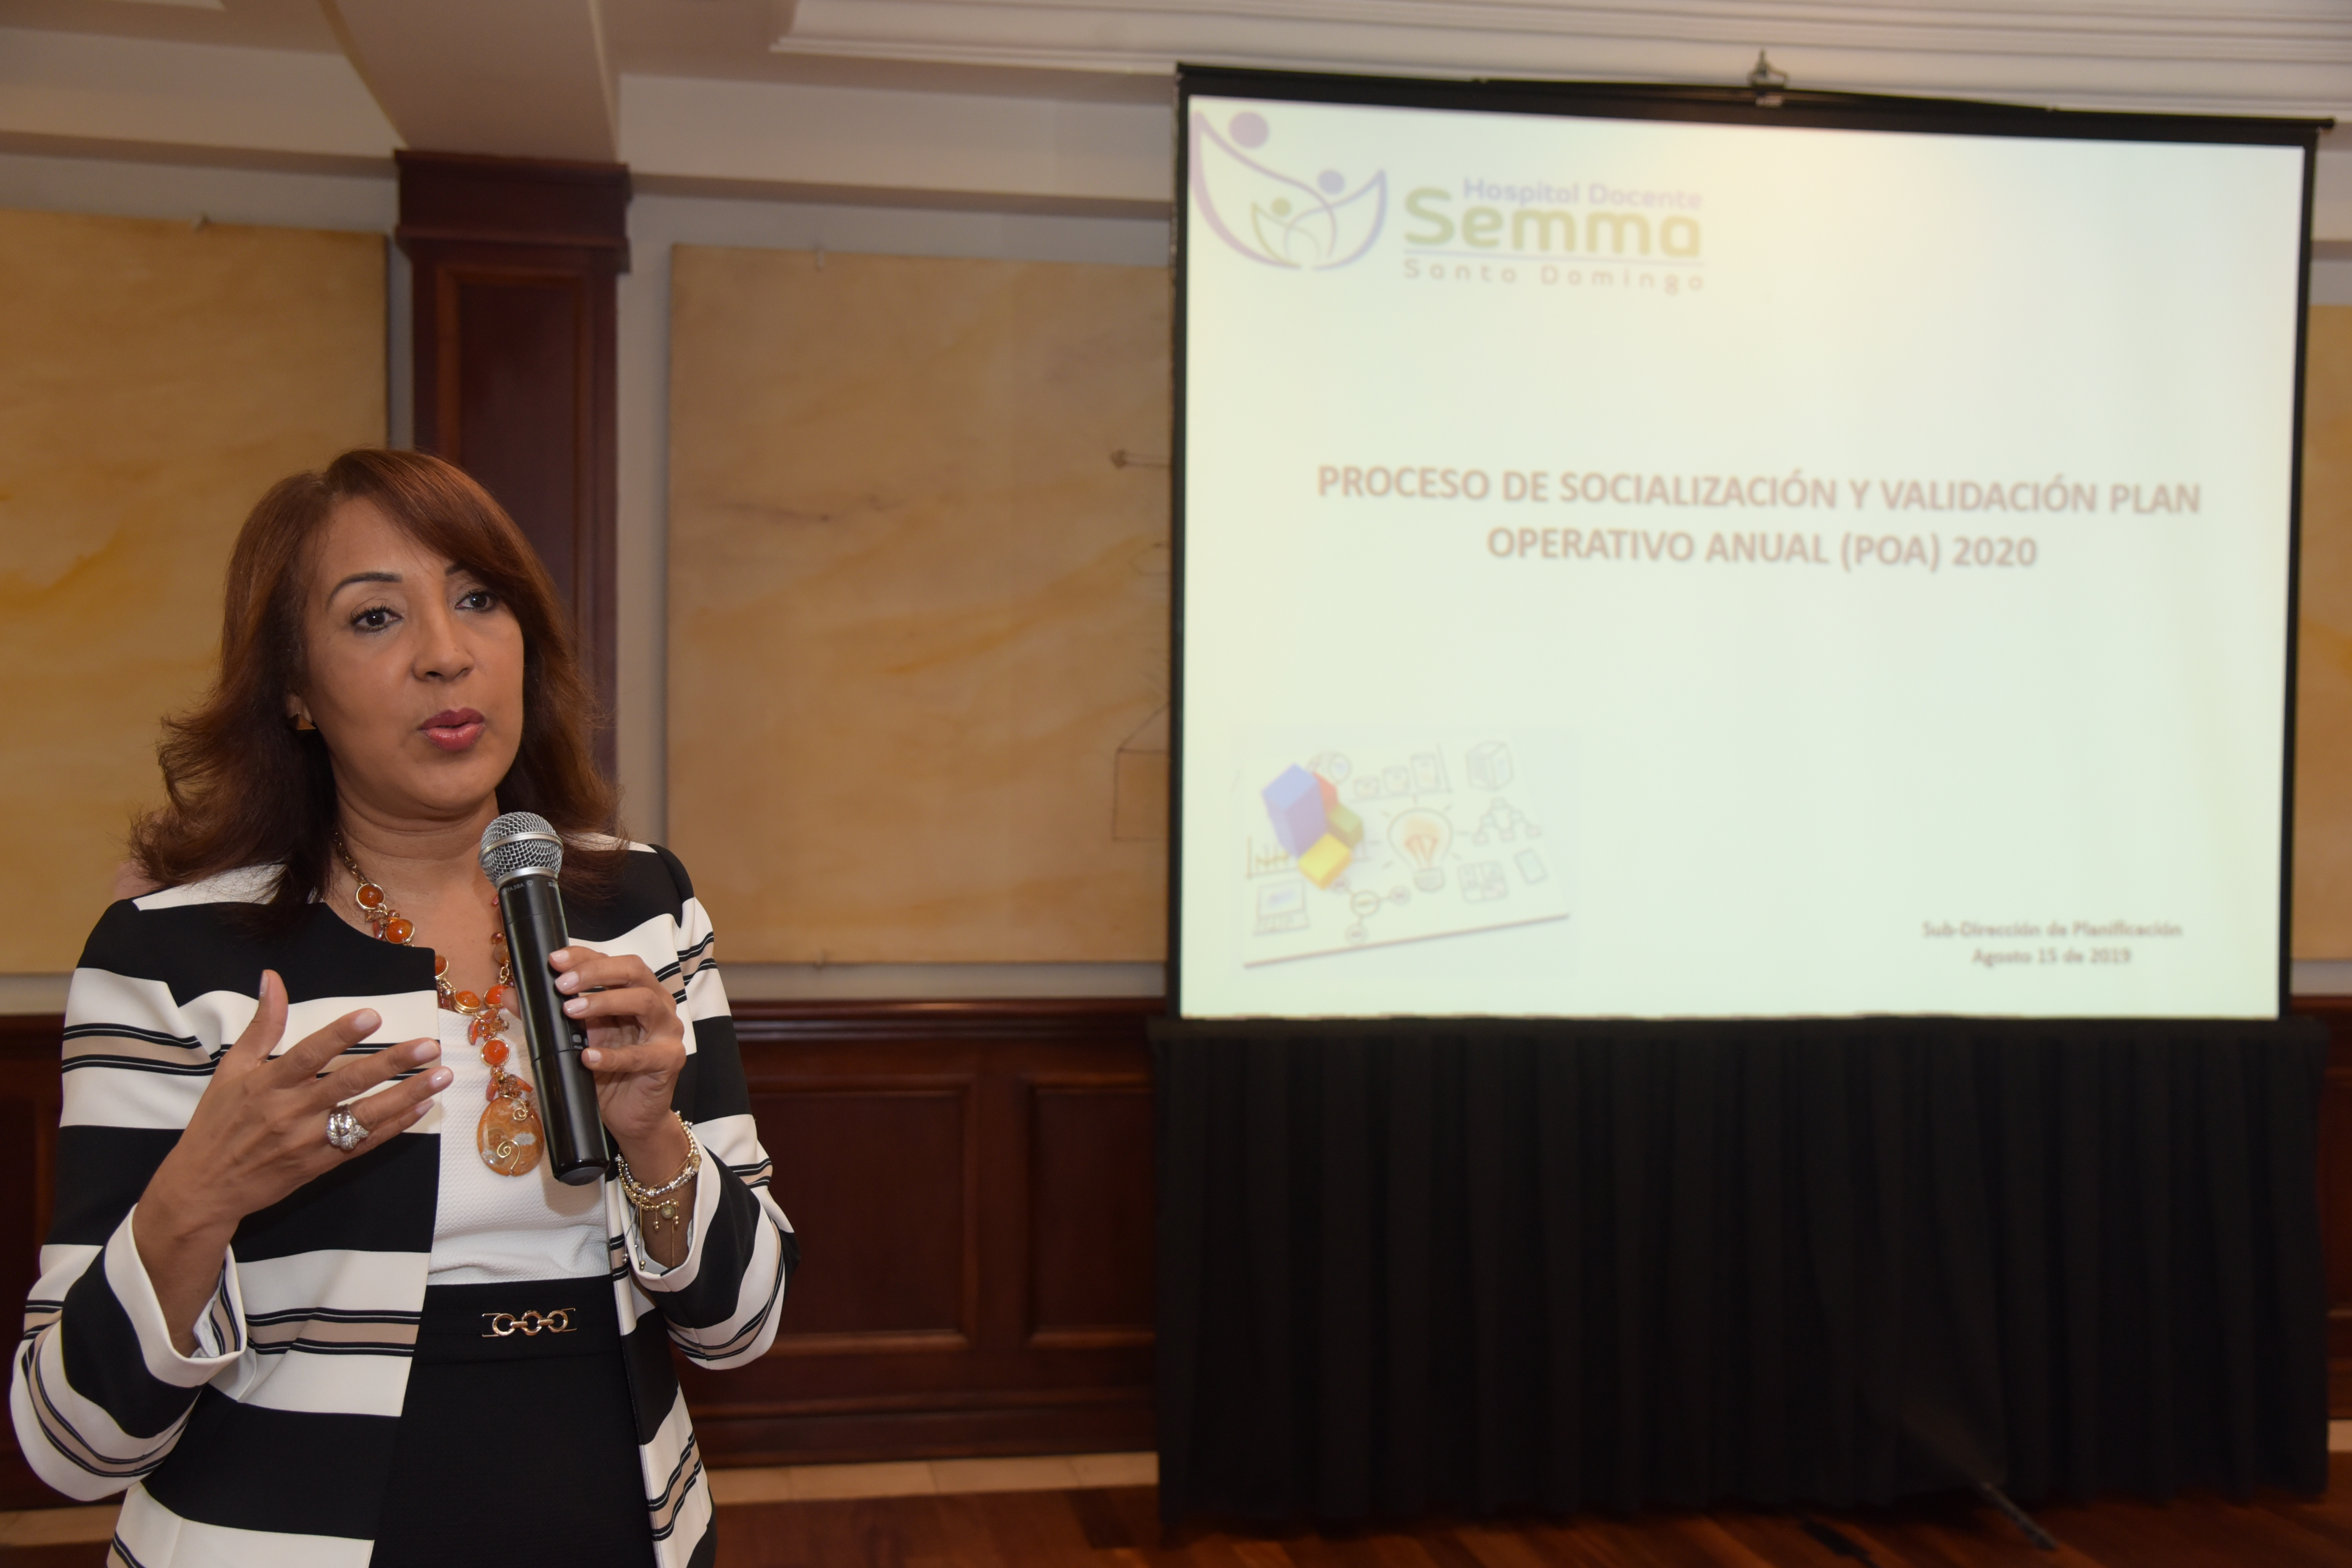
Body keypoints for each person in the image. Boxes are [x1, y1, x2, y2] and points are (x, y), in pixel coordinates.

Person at [9, 450, 795, 1567]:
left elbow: (741, 1328)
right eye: (375, 616)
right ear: (294, 689)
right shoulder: (175, 954)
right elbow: (70, 1443)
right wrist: (201, 1193)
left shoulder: (639, 905)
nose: (445, 653)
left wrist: (656, 1138)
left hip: (621, 1524)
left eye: (478, 600)